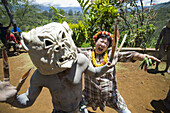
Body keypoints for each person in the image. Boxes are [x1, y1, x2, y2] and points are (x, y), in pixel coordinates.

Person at [80, 31, 160, 113]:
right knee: (78, 108)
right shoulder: (86, 55)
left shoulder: (112, 55)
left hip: (111, 96)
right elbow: (73, 52)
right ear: (96, 41)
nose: (103, 44)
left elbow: (130, 55)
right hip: (89, 96)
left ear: (108, 47)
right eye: (101, 41)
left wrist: (143, 57)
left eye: (106, 44)